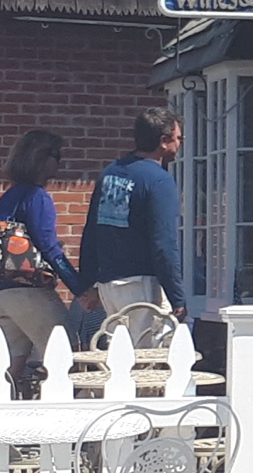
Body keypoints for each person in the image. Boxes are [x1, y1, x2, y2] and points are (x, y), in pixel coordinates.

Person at [0, 127, 88, 379]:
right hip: (29, 291)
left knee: (10, 363)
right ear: (41, 157)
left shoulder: (8, 197)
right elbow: (49, 248)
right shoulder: (38, 197)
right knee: (68, 355)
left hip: (1, 291)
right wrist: (80, 289)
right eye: (56, 155)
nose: (60, 162)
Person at [78, 106, 186, 320]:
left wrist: (87, 283)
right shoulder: (158, 180)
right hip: (141, 285)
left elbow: (92, 232)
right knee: (152, 343)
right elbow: (163, 243)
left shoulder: (110, 173)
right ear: (164, 141)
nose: (179, 144)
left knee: (118, 341)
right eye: (178, 138)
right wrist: (177, 298)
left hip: (108, 285)